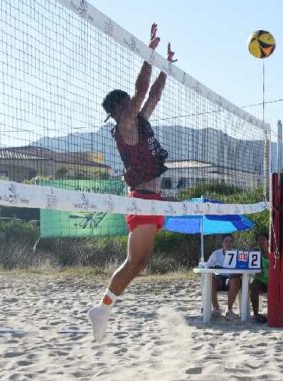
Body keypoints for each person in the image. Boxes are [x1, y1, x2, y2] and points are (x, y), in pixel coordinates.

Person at [89, 23, 176, 342]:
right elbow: (142, 91)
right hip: (140, 197)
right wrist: (149, 54)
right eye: (128, 102)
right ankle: (102, 308)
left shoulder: (138, 120)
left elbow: (151, 94)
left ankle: (104, 308)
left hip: (152, 198)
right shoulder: (125, 124)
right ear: (119, 108)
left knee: (140, 261)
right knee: (135, 260)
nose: (135, 105)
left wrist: (166, 68)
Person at [205, 234, 242, 320]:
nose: (228, 243)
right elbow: (207, 266)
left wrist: (233, 275)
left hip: (233, 277)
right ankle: (216, 308)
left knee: (235, 280)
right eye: (226, 241)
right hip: (219, 278)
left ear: (233, 243)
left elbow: (243, 269)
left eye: (230, 241)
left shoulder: (238, 253)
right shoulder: (216, 254)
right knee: (210, 280)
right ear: (222, 243)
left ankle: (229, 309)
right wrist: (214, 268)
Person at [250, 232, 270, 323]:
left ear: (268, 241)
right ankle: (256, 313)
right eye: (258, 240)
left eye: (263, 239)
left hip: (272, 281)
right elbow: (251, 269)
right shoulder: (254, 254)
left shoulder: (274, 253)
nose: (261, 241)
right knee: (253, 286)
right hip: (260, 282)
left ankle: (273, 312)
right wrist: (255, 273)